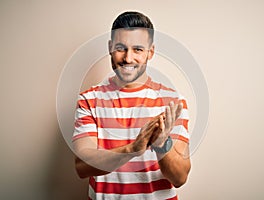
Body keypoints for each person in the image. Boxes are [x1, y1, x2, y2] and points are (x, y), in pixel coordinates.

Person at [73, 11, 191, 200]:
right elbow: (82, 167)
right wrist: (132, 149)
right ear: (110, 47)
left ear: (150, 52)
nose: (128, 58)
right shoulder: (89, 99)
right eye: (121, 48)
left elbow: (180, 177)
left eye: (138, 49)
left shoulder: (173, 102)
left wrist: (161, 145)